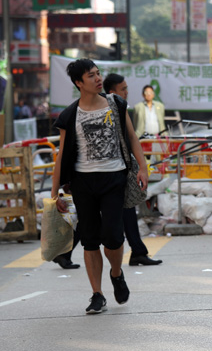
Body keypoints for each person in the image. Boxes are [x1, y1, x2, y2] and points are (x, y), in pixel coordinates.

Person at [51, 58, 148, 314]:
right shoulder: (70, 115)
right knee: (90, 241)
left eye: (98, 73)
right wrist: (55, 194)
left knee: (114, 238)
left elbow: (132, 137)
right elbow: (61, 156)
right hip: (83, 182)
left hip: (114, 178)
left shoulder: (115, 104)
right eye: (91, 76)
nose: (97, 78)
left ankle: (116, 273)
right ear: (78, 83)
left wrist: (144, 168)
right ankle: (97, 294)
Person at [104, 74, 163, 266]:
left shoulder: (120, 107)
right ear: (112, 92)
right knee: (96, 218)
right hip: (107, 172)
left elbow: (129, 138)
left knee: (128, 208)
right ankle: (67, 249)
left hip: (121, 168)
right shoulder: (104, 109)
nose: (127, 92)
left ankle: (137, 251)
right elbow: (130, 137)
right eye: (123, 89)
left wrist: (140, 167)